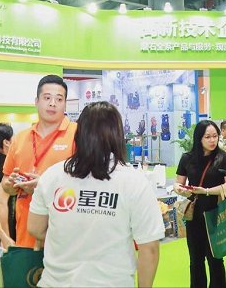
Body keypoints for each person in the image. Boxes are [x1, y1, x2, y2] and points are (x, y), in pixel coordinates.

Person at [29, 101, 164, 287]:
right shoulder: (134, 181)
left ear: (79, 134)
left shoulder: (53, 175)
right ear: (118, 135)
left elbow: (35, 228)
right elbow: (149, 248)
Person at [2, 75, 77, 247]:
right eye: (47, 98)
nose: (53, 103)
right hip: (25, 233)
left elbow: (88, 183)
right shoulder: (20, 138)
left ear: (65, 104)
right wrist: (11, 185)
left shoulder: (79, 135)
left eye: (59, 99)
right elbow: (5, 181)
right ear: (36, 101)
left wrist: (44, 186)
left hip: (64, 237)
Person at [174, 120, 226, 288]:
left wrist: (207, 191)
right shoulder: (187, 158)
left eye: (215, 136)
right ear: (199, 138)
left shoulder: (223, 158)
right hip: (194, 215)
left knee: (215, 259)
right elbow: (178, 182)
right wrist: (180, 189)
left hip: (216, 214)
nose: (212, 140)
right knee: (196, 260)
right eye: (207, 137)